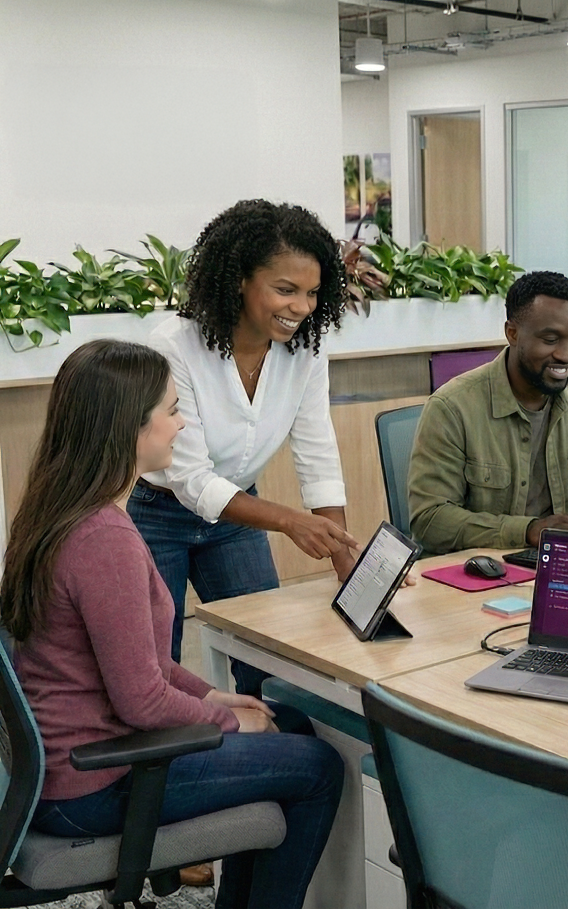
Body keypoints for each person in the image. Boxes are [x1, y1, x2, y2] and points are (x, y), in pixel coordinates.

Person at [0, 340, 344, 909]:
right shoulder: (104, 539)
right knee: (318, 767)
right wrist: (225, 721)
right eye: (173, 410)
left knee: (289, 722)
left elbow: (140, 662)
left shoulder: (63, 511)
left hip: (65, 767)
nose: (183, 425)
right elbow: (141, 703)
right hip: (94, 783)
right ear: (129, 429)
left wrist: (211, 694)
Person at [127, 199, 358, 682]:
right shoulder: (175, 345)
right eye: (285, 289)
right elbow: (189, 479)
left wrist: (341, 549)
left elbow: (317, 449)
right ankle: (172, 760)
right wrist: (291, 522)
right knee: (156, 665)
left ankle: (273, 749)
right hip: (160, 513)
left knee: (270, 660)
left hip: (237, 517)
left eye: (313, 292)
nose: (302, 307)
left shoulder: (306, 352)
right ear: (239, 280)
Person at [409, 270, 568, 554]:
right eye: (551, 340)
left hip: (564, 568)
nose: (566, 354)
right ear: (512, 334)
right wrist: (529, 531)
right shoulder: (452, 407)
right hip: (482, 574)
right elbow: (430, 520)